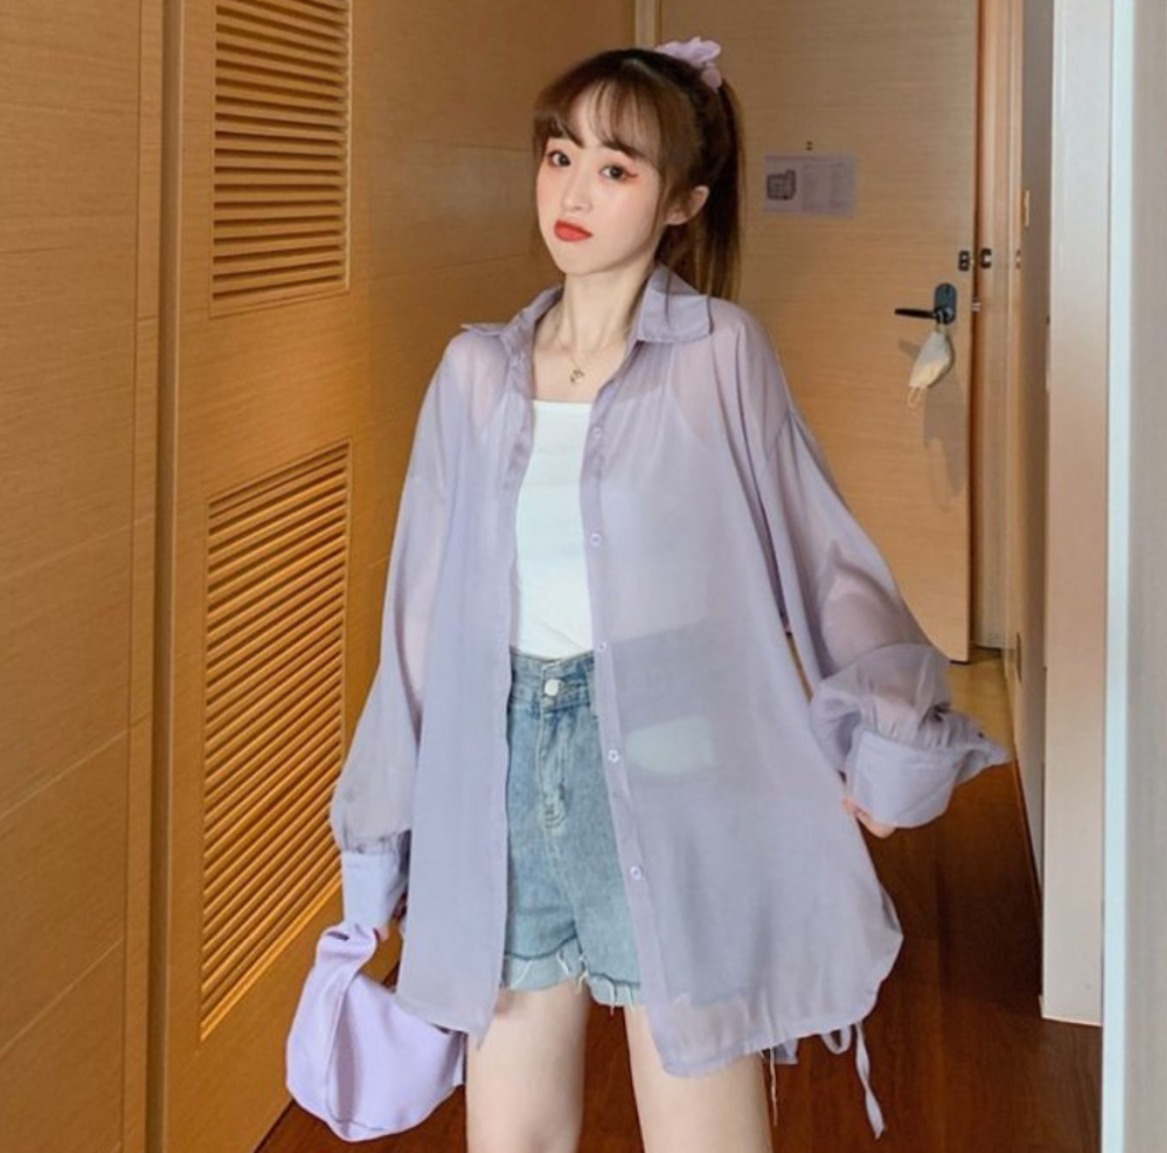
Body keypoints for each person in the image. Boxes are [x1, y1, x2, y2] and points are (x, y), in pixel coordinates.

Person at [330, 37, 1005, 1153]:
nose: (572, 193)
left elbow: (822, 555)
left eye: (616, 168)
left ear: (684, 201)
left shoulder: (718, 355)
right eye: (559, 155)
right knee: (511, 1134)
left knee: (701, 1126)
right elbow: (417, 622)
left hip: (674, 757)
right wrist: (382, 830)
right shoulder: (471, 376)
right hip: (500, 774)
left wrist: (885, 741)